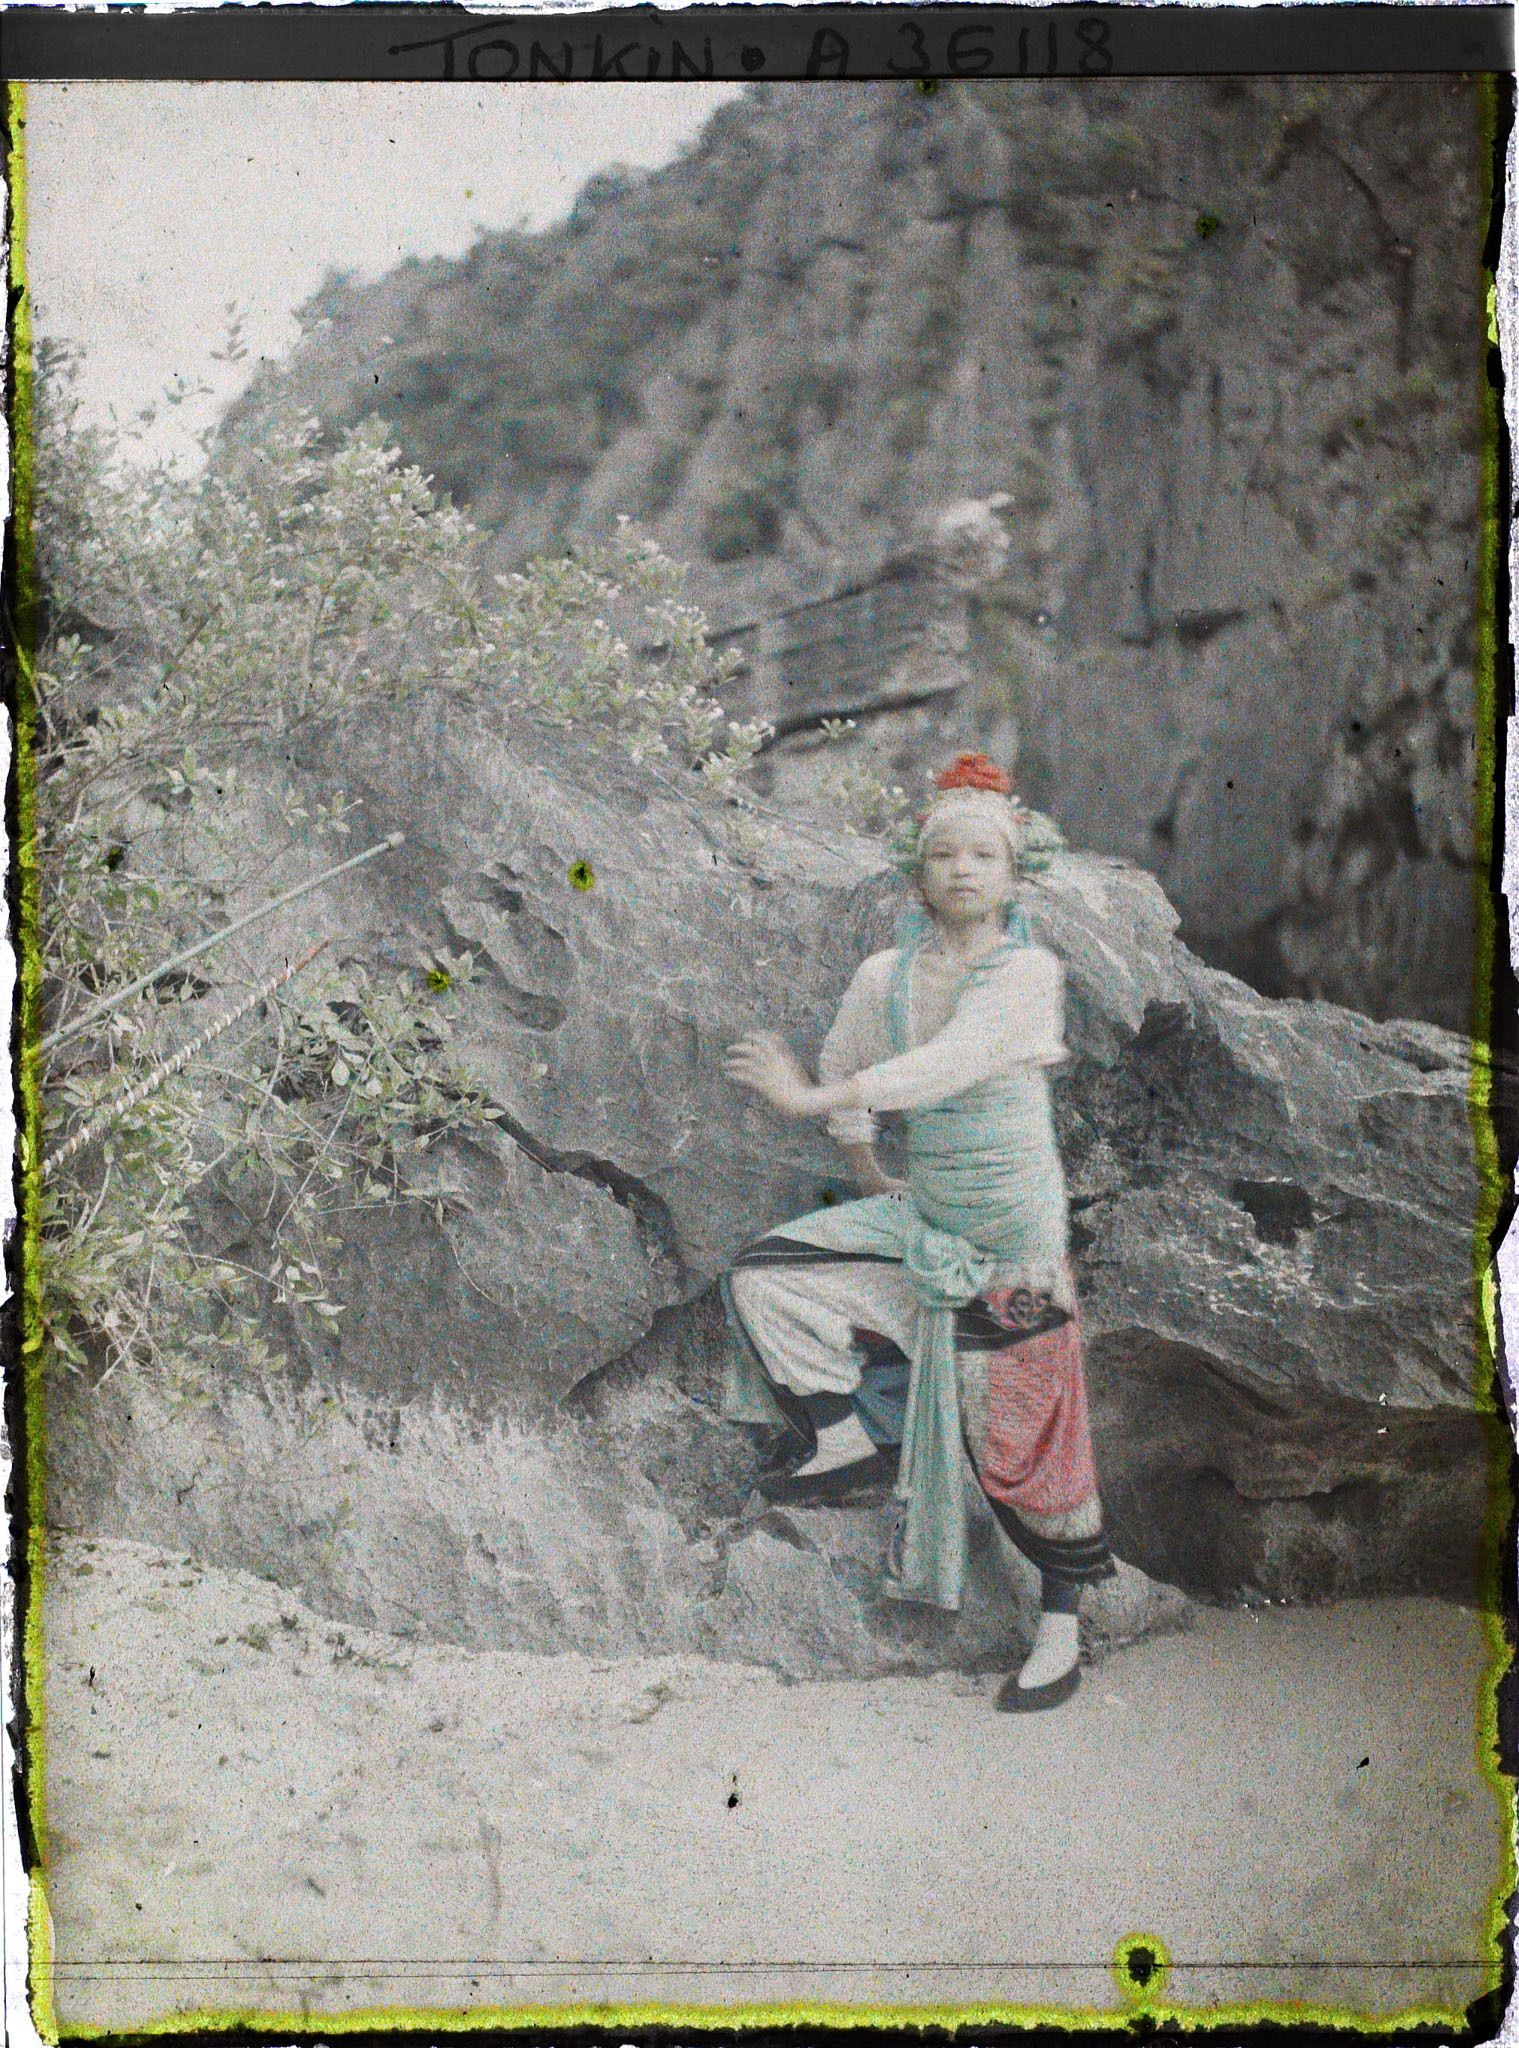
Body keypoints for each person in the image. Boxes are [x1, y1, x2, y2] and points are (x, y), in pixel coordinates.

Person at [721, 752, 1114, 1712]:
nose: (963, 871)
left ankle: (1058, 1628)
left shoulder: (1027, 972)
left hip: (1007, 1234)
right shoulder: (884, 972)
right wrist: (863, 1166)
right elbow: (850, 1059)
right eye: (944, 855)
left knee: (1020, 1425)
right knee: (767, 1277)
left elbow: (945, 1065)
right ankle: (846, 1438)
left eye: (984, 855)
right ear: (918, 875)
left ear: (1013, 876)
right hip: (923, 1210)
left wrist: (805, 1100)